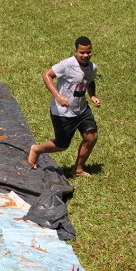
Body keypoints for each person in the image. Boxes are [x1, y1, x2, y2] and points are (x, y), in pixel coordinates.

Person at [28, 36, 101, 177]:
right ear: (76, 51)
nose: (85, 55)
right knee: (62, 145)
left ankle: (78, 170)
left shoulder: (92, 67)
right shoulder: (67, 65)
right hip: (63, 112)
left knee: (91, 136)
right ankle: (37, 149)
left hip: (82, 109)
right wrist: (58, 96)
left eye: (88, 52)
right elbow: (47, 75)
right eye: (82, 52)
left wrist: (92, 95)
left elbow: (90, 81)